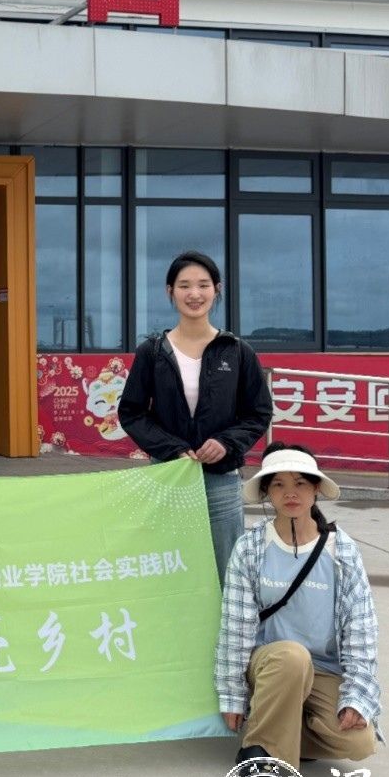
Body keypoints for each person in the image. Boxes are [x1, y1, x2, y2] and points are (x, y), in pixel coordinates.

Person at [215, 442, 380, 777]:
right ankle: (261, 756)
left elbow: (360, 630)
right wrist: (232, 694)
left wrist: (356, 697)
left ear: (316, 489)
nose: (290, 493)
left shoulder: (341, 550)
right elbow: (236, 627)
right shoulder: (250, 547)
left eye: (300, 483)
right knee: (292, 656)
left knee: (359, 743)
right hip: (271, 667)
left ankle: (280, 732)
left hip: (323, 669)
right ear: (267, 492)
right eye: (278, 484)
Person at [117, 250, 273, 584]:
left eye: (203, 285)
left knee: (225, 573)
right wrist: (171, 449)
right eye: (184, 285)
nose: (194, 293)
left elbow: (258, 412)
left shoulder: (237, 351)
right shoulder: (152, 352)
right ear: (170, 291)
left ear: (217, 289)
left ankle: (225, 622)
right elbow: (131, 412)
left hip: (220, 480)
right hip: (168, 477)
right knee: (168, 568)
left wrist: (226, 443)